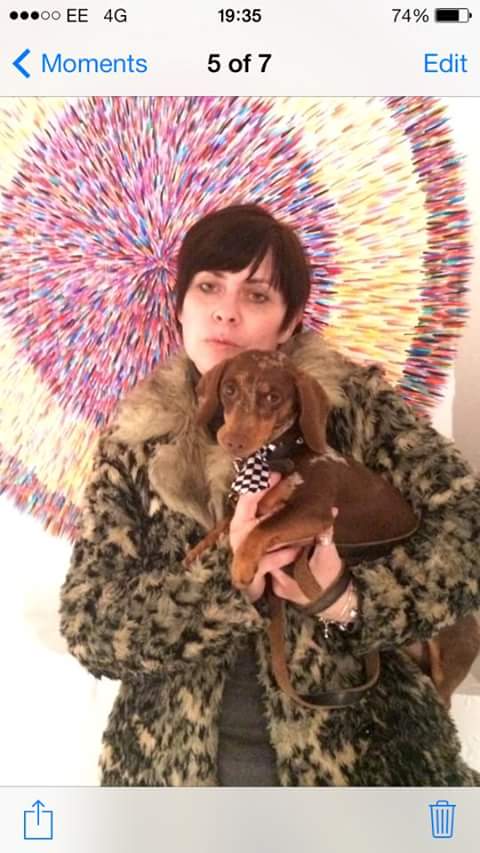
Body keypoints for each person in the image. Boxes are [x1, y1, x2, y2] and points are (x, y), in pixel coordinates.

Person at [59, 202, 480, 786]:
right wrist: (227, 579)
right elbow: (90, 626)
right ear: (180, 307)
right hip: (173, 779)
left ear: (289, 322)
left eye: (256, 295)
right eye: (208, 286)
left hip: (365, 765)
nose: (226, 311)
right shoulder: (133, 444)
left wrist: (349, 601)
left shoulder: (356, 409)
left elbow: (467, 528)